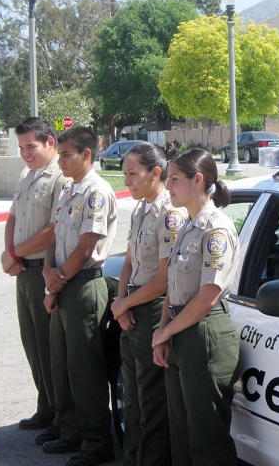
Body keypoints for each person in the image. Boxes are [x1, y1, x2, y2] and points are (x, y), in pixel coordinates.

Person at [152, 149, 240, 466]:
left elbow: (207, 297)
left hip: (204, 336)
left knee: (207, 442)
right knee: (182, 438)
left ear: (198, 180)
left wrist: (166, 333)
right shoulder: (188, 227)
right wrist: (163, 332)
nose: (168, 186)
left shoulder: (215, 230)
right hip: (181, 331)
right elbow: (172, 288)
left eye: (174, 179)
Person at [42, 126, 117, 466]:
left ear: (87, 154)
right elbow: (56, 237)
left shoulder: (96, 192)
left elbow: (87, 245)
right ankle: (70, 430)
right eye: (59, 155)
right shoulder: (69, 189)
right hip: (62, 281)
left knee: (86, 369)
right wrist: (48, 275)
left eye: (66, 154)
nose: (60, 161)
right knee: (63, 364)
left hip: (83, 283)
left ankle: (97, 442)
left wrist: (58, 281)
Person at [110, 142, 186, 466]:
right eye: (124, 174)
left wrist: (125, 304)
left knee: (152, 406)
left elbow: (164, 279)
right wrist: (121, 301)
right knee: (134, 404)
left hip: (154, 309)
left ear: (156, 173)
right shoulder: (141, 208)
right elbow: (129, 260)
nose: (126, 182)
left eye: (132, 174)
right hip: (133, 307)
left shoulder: (170, 214)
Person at [0, 117, 65, 442]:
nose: (25, 153)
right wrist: (10, 252)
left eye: (31, 146)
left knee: (49, 346)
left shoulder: (60, 177)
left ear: (49, 143)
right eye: (21, 147)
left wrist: (16, 253)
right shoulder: (28, 173)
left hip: (43, 269)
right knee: (33, 344)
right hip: (22, 270)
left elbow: (53, 230)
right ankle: (46, 406)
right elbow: (13, 215)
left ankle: (61, 416)